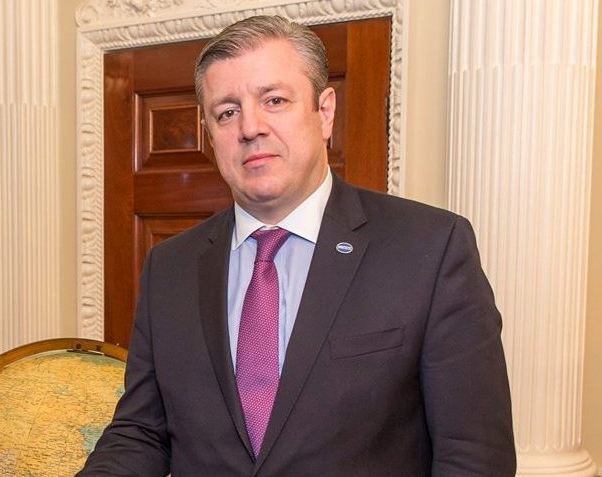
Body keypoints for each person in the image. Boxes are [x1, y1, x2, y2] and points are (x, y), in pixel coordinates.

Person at [79, 15, 515, 476]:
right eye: (227, 112)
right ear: (209, 136)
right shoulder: (170, 267)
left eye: (275, 100)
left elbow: (474, 457)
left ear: (324, 112)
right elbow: (142, 432)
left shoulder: (430, 249)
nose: (251, 127)